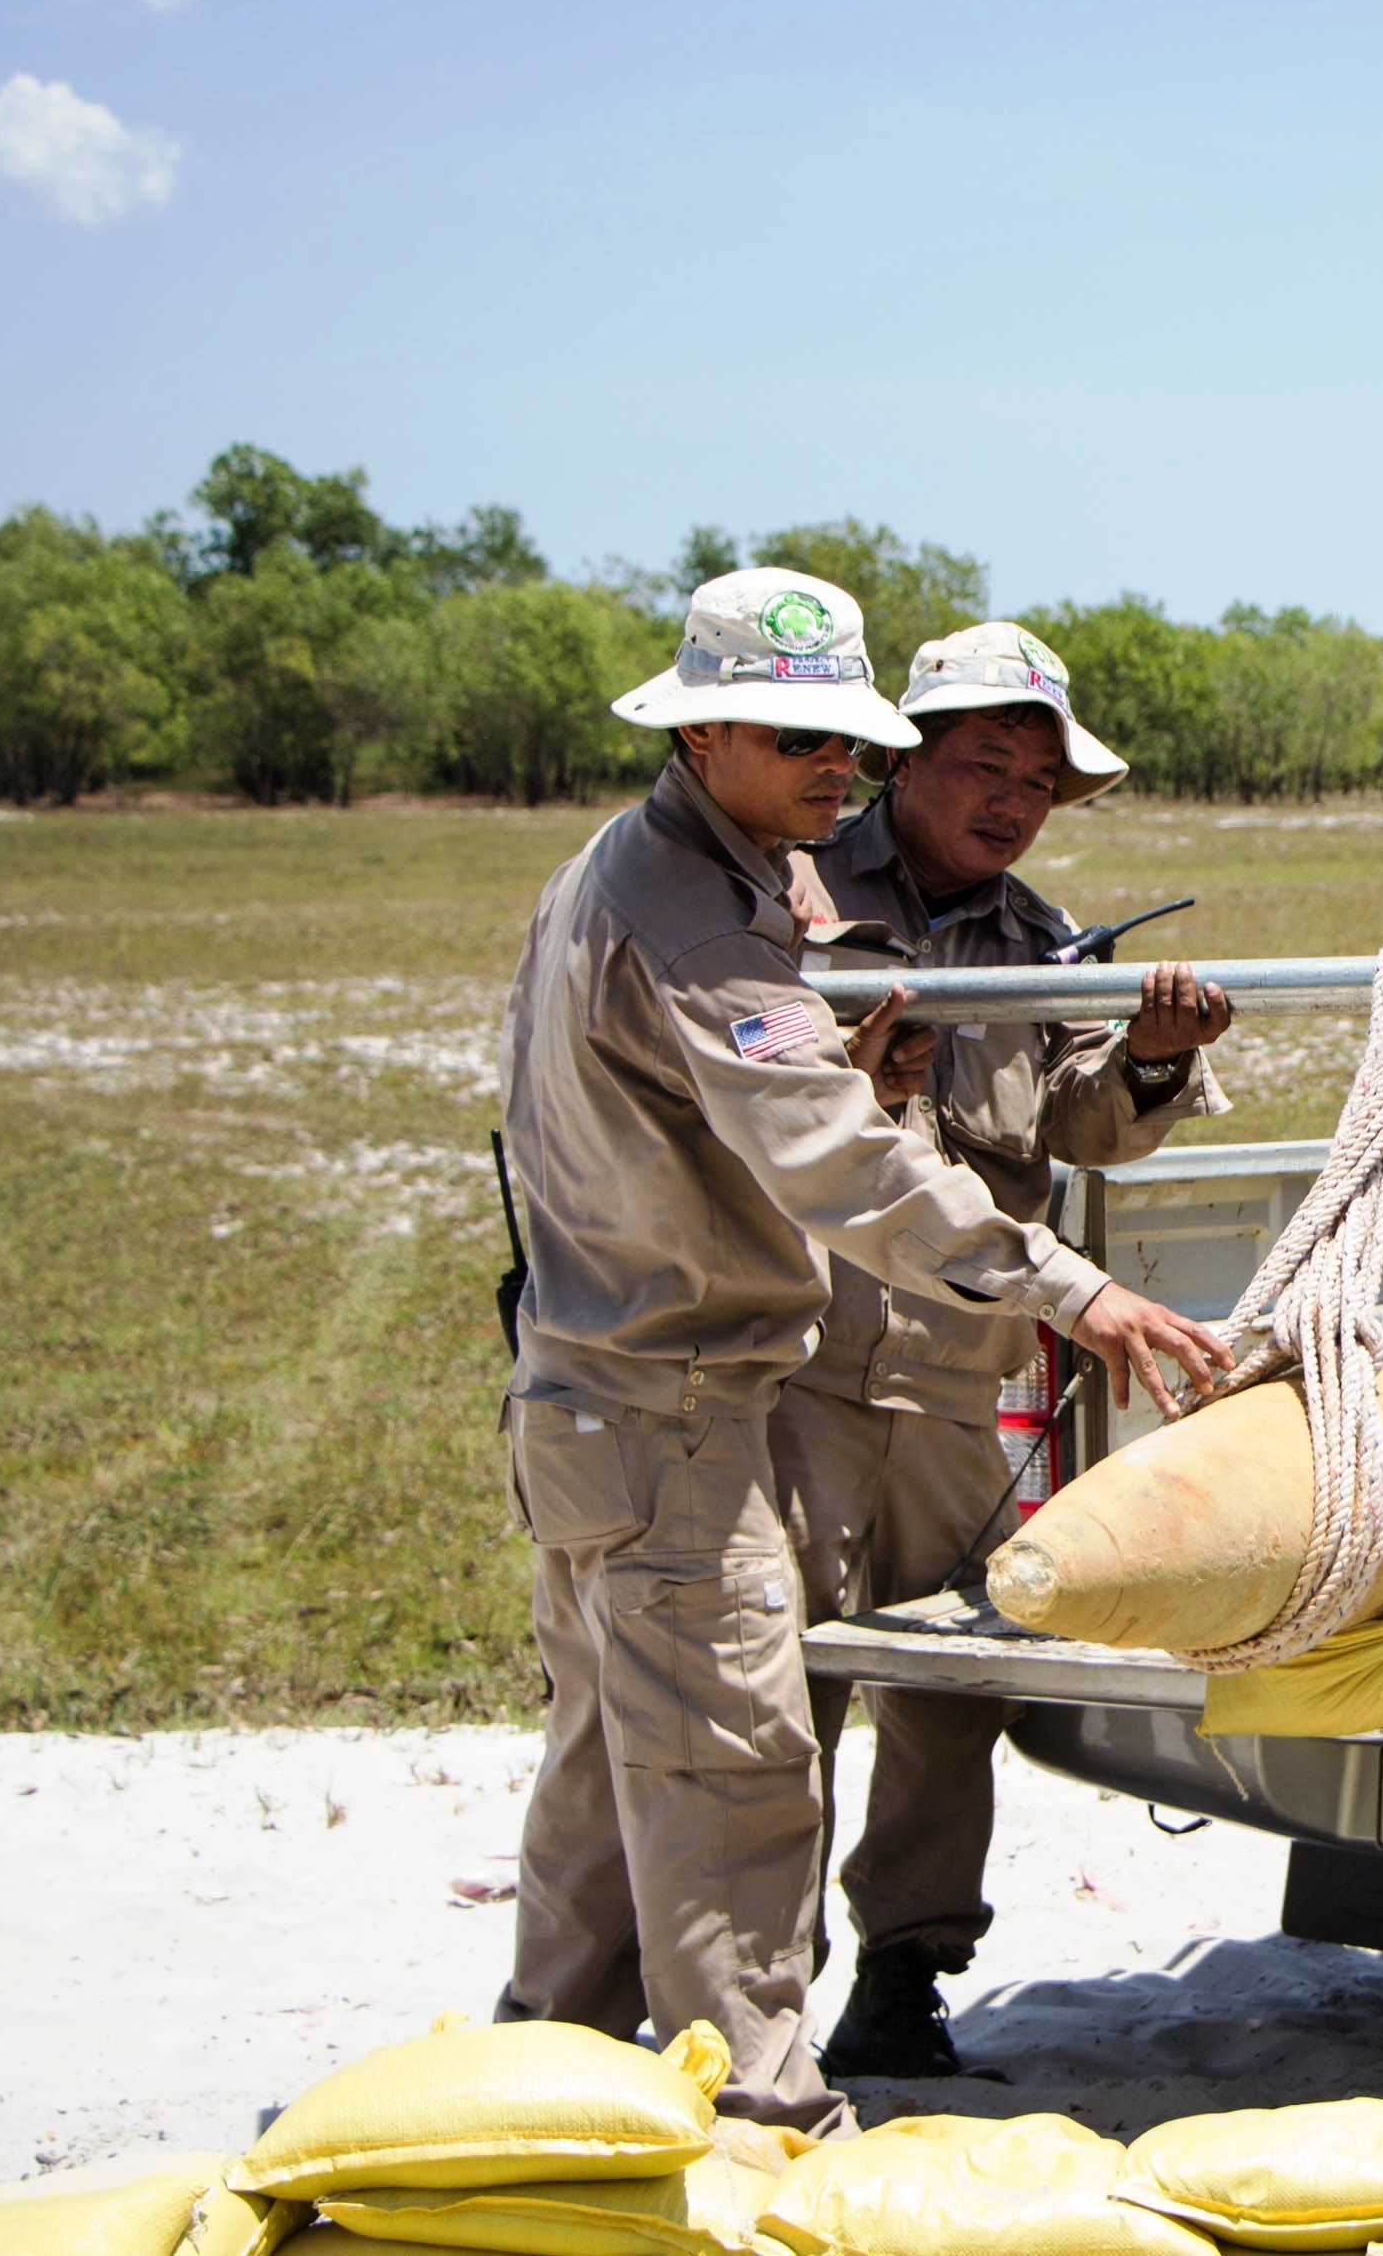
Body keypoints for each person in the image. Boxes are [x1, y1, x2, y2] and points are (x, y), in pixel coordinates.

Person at [491, 567, 1229, 2128]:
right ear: (703, 738)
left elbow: (1010, 1116)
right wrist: (1076, 1292)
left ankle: (537, 2093)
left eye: (845, 738)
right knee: (743, 1758)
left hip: (624, 1398)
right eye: (800, 738)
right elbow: (838, 1157)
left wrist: (1129, 1072)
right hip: (703, 1400)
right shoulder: (717, 915)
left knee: (619, 1765)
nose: (831, 767)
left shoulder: (647, 880)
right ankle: (759, 2115)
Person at [777, 622, 1233, 2079]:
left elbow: (1074, 1130)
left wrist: (1153, 1054)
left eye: (1039, 779)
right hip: (791, 1371)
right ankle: (753, 1990)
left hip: (958, 1377)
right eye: (987, 764)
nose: (1014, 799)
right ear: (902, 757)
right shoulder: (783, 901)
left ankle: (905, 1971)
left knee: (946, 1687)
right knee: (775, 1687)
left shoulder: (1038, 942)